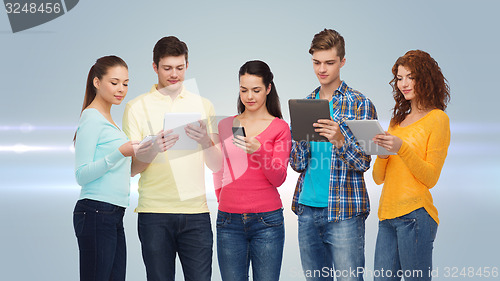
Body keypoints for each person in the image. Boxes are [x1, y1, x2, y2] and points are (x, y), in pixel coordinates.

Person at [122, 36, 220, 281]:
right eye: (167, 68)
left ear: (187, 65)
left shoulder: (203, 105)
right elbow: (131, 169)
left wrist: (205, 141)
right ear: (155, 67)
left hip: (196, 214)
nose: (174, 74)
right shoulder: (136, 107)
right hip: (154, 213)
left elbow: (216, 165)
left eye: (180, 67)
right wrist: (153, 148)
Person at [289, 28, 377, 281]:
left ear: (342, 62)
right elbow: (297, 164)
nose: (322, 69)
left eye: (329, 62)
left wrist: (340, 141)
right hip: (307, 209)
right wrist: (303, 140)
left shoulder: (359, 103)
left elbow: (363, 163)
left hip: (345, 212)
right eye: (316, 62)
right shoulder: (305, 103)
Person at [372, 50, 450, 281]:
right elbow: (378, 178)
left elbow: (430, 177)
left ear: (425, 79)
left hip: (415, 216)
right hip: (386, 216)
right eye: (399, 78)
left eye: (410, 77)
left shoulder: (438, 119)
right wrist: (383, 154)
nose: (403, 84)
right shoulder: (397, 122)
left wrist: (401, 148)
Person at [213, 60, 291, 281]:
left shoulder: (280, 128)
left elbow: (279, 178)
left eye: (256, 90)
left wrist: (259, 150)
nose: (249, 96)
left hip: (267, 222)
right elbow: (219, 169)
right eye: (243, 89)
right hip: (228, 222)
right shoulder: (226, 124)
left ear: (268, 89)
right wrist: (224, 201)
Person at [73, 55, 136, 281]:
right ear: (97, 82)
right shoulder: (91, 117)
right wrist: (120, 152)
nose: (121, 89)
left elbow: (120, 169)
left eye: (126, 84)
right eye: (115, 82)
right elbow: (82, 174)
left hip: (113, 213)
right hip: (96, 211)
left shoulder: (109, 120)